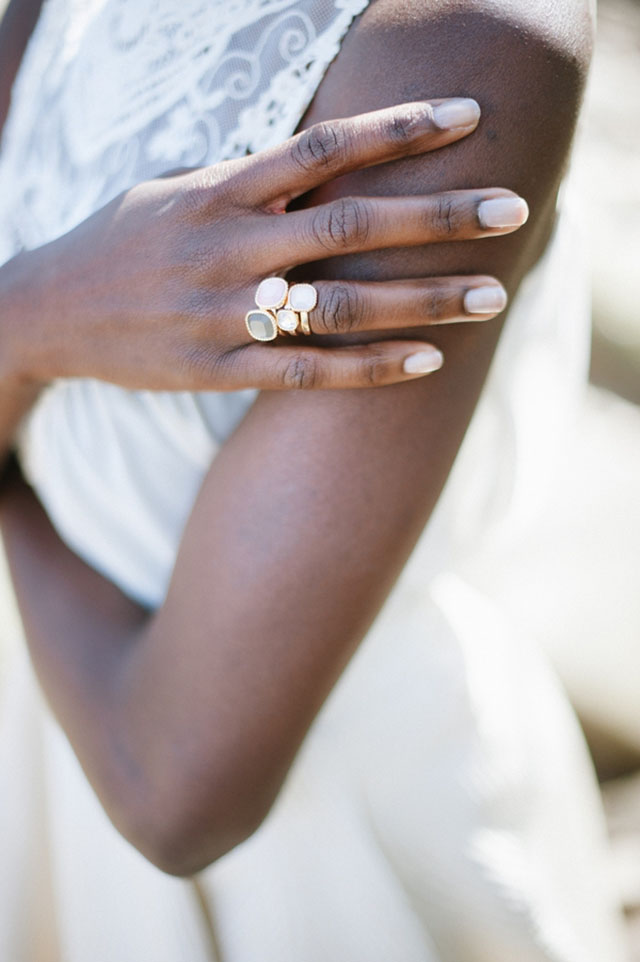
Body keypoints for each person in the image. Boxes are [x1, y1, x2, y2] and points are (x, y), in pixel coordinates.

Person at [0, 0, 627, 959]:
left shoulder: (465, 38)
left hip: (326, 850)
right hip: (34, 711)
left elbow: (171, 790)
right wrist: (44, 312)